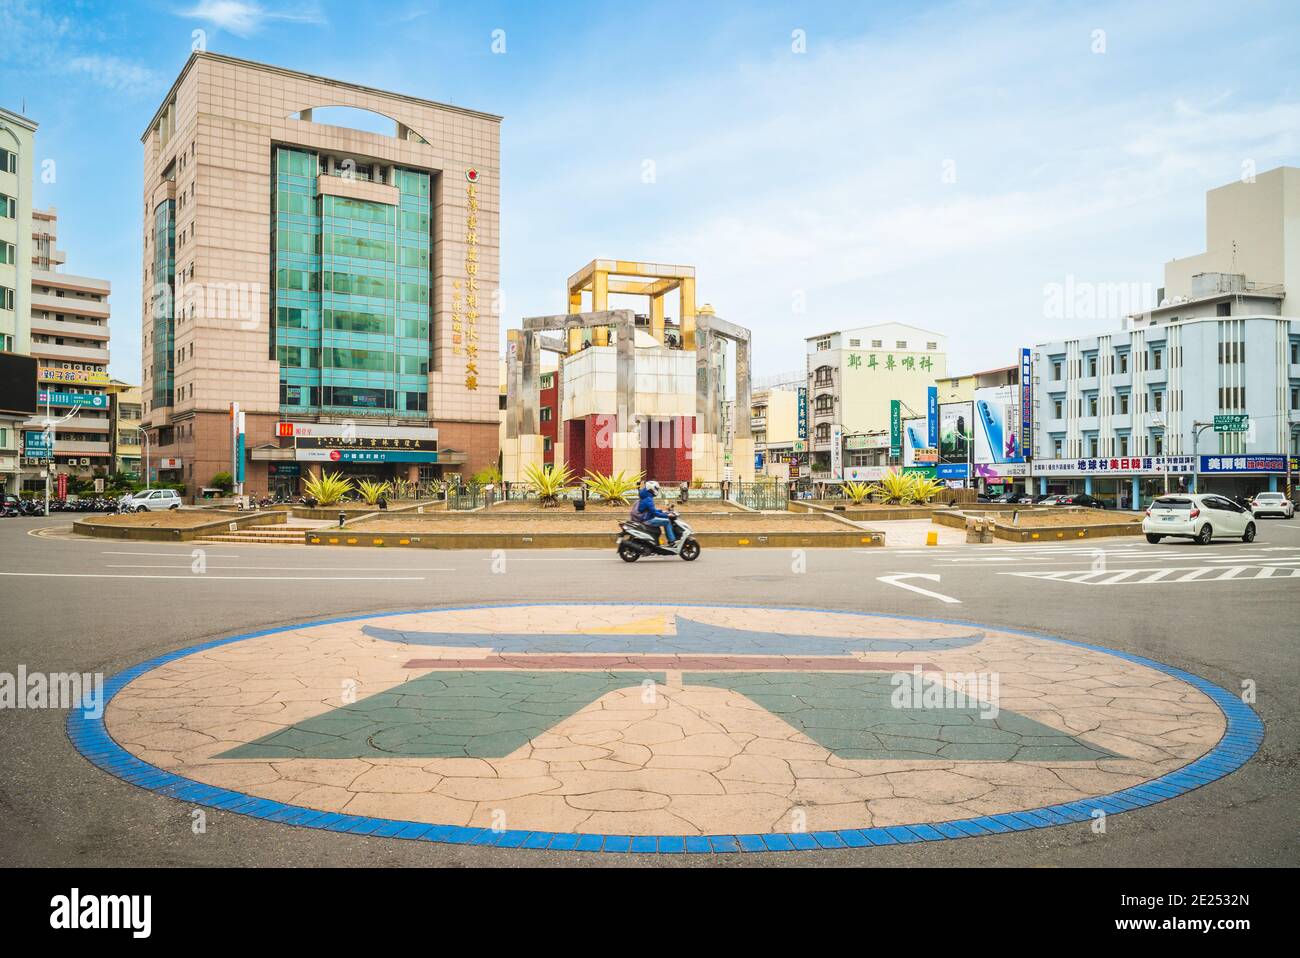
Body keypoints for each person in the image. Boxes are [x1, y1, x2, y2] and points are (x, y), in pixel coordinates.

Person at [632, 480, 678, 549]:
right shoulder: (648, 499)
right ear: (652, 489)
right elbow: (654, 513)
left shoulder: (646, 496)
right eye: (656, 489)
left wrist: (662, 511)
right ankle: (672, 541)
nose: (657, 490)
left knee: (665, 520)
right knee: (667, 521)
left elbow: (651, 510)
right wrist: (667, 515)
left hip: (646, 517)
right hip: (647, 520)